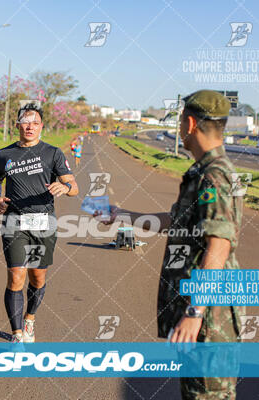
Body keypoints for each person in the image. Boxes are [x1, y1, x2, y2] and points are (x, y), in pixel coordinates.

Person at [100, 90, 243, 399]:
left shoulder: (214, 176)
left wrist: (194, 312)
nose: (180, 128)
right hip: (203, 317)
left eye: (180, 121)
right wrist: (121, 215)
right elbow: (173, 221)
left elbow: (218, 245)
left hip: (209, 320)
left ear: (190, 123)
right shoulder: (205, 172)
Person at [0, 102, 79, 343]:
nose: (30, 127)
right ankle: (17, 333)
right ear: (17, 125)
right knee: (16, 275)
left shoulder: (53, 153)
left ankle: (29, 318)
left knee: (37, 277)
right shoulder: (4, 154)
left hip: (43, 223)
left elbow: (74, 186)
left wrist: (65, 186)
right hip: (14, 221)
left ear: (41, 127)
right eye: (25, 122)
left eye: (35, 123)